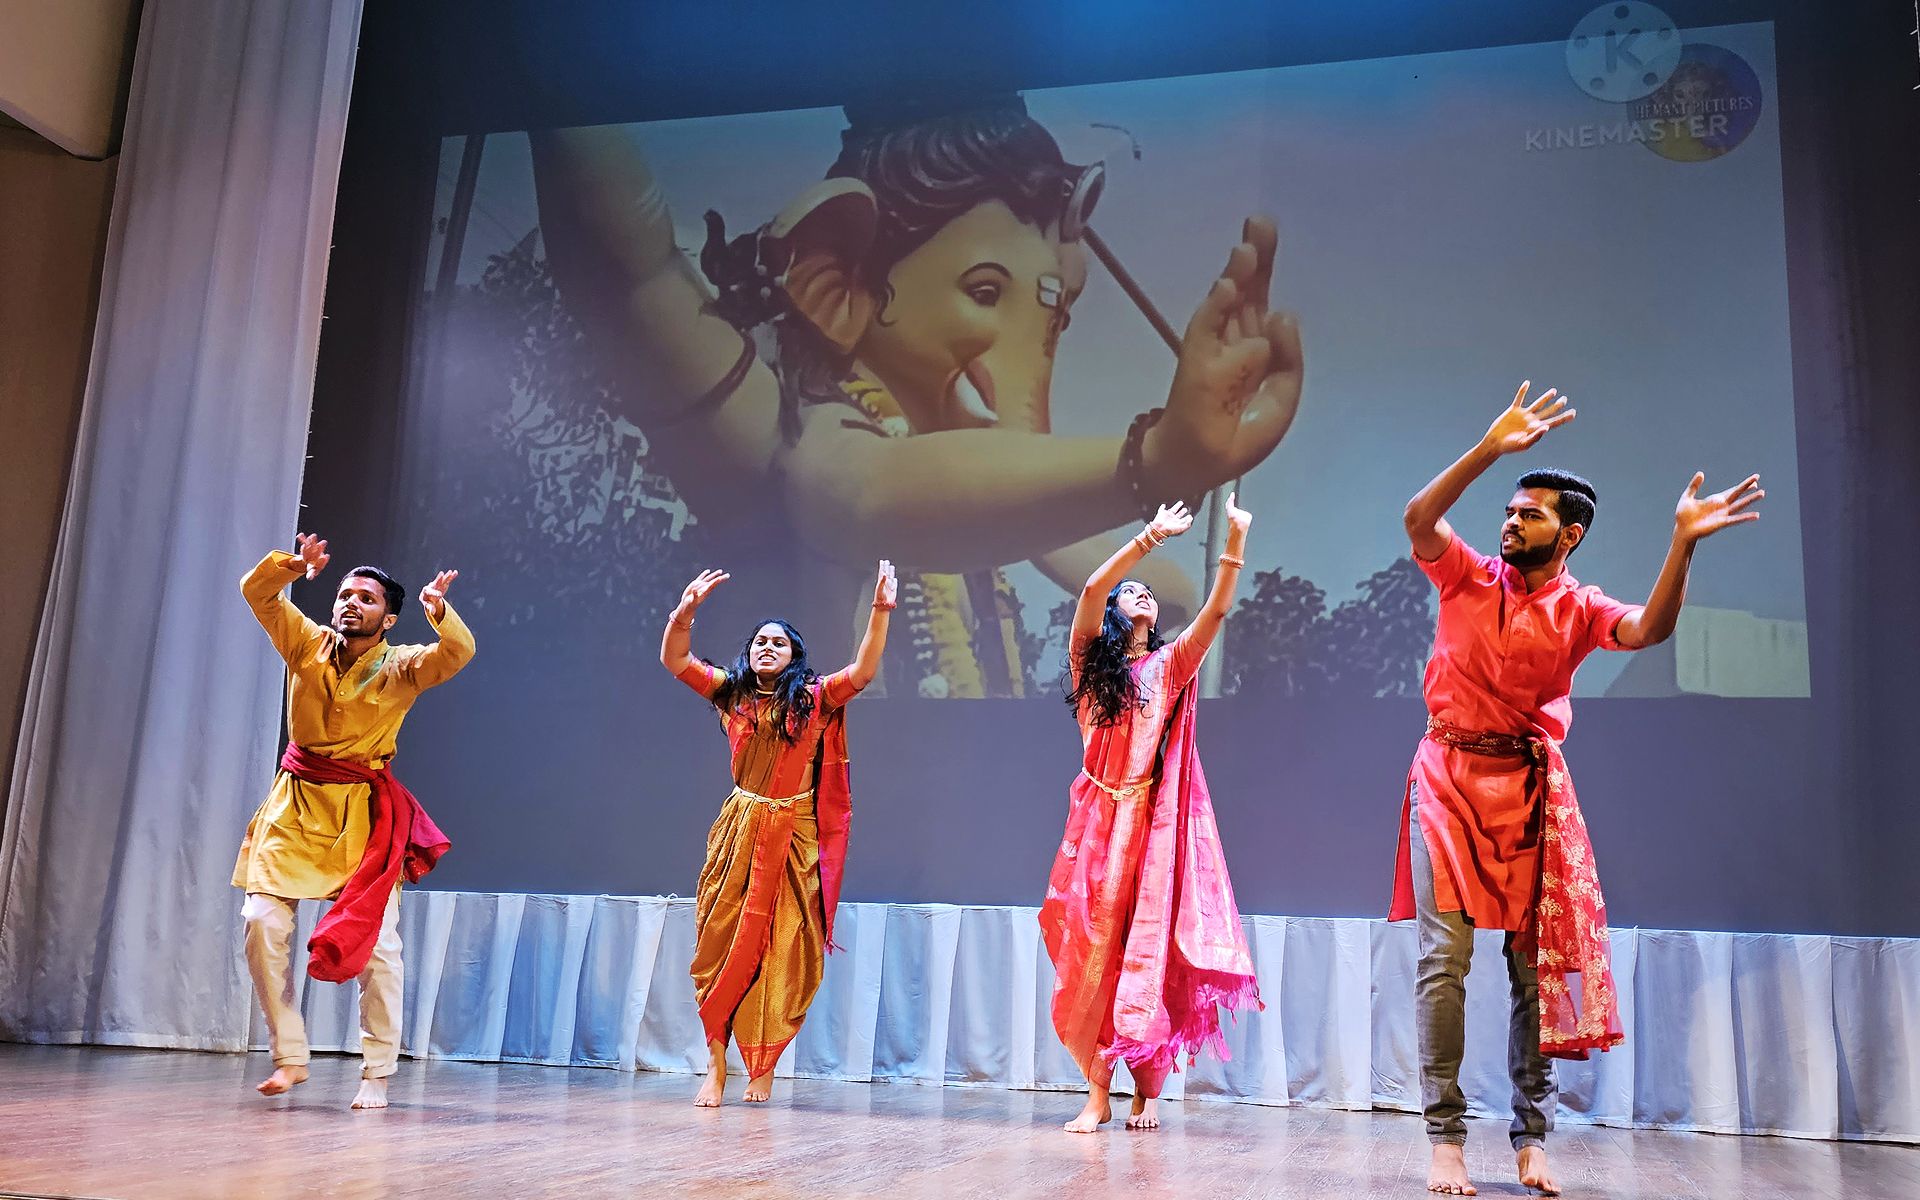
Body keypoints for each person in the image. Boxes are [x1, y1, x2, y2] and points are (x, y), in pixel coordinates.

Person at [1396, 382, 1764, 1195]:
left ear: (1572, 533)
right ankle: (1445, 1136)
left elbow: (1650, 630)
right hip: (1446, 779)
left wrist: (1684, 543)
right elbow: (1421, 520)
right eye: (1510, 509)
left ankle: (1532, 1135)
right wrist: (1491, 448)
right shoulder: (1465, 578)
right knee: (1442, 960)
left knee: (1532, 967)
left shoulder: (1581, 606)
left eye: (1530, 514)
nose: (1511, 521)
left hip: (1526, 792)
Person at [1040, 498, 1262, 1134]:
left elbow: (1217, 609)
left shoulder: (1169, 666)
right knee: (1091, 953)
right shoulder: (1091, 668)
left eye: (1147, 592)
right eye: (1129, 593)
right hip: (1096, 823)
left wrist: (1235, 542)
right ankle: (1095, 1094)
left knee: (1148, 953)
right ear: (1114, 613)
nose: (1140, 596)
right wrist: (1148, 539)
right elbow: (1089, 586)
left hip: (1151, 825)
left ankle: (1148, 1092)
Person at [233, 533, 474, 1109]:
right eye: (345, 594)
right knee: (261, 921)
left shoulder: (403, 665)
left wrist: (441, 614)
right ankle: (290, 1054)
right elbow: (256, 593)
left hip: (361, 819)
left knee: (379, 947)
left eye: (366, 599)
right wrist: (294, 567)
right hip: (293, 807)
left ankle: (377, 1071)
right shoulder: (306, 645)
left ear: (388, 618)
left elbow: (456, 654)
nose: (351, 604)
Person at [661, 560, 896, 1105]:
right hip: (740, 830)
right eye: (761, 642)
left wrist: (880, 611)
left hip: (795, 835)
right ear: (749, 653)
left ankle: (762, 1070)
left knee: (784, 952)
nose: (768, 648)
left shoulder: (814, 699)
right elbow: (675, 659)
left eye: (780, 644)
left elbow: (862, 670)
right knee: (718, 945)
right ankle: (716, 1066)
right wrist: (685, 614)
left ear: (795, 658)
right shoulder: (731, 695)